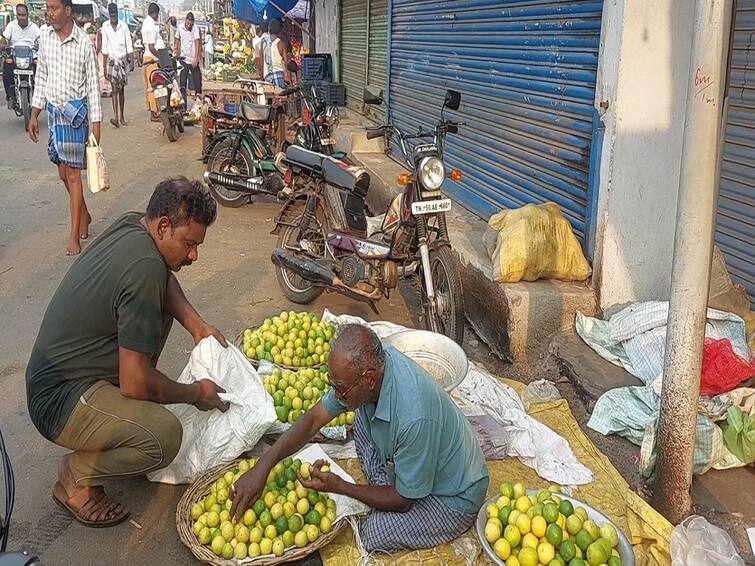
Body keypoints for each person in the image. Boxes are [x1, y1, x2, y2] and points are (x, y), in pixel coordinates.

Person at [26, 178, 230, 528]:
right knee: (166, 437)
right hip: (59, 400)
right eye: (189, 243)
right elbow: (136, 383)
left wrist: (197, 326)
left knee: (159, 301)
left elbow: (163, 279)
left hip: (68, 376)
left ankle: (122, 427)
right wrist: (196, 393)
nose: (194, 255)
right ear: (163, 226)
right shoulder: (144, 267)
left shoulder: (136, 224)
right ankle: (76, 476)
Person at [230, 324, 489, 552]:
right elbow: (313, 420)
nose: (335, 394)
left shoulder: (414, 417)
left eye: (339, 388)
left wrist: (341, 487)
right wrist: (263, 466)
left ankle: (383, 490)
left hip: (452, 496)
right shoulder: (365, 376)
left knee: (373, 533)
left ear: (369, 379)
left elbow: (403, 502)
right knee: (361, 417)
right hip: (413, 459)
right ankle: (382, 488)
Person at [29, 0, 101, 256]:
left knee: (73, 175)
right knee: (62, 174)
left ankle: (74, 237)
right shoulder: (45, 37)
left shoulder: (83, 43)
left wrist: (96, 125)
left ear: (68, 11)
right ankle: (85, 213)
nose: (49, 14)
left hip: (75, 115)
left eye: (54, 8)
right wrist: (34, 114)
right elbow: (41, 78)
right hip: (54, 114)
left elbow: (93, 86)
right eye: (47, 9)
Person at [0, 4, 40, 109]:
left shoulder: (34, 27)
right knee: (7, 65)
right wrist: (2, 45)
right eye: (19, 15)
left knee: (40, 68)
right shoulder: (11, 26)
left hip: (31, 56)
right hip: (15, 56)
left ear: (27, 15)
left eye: (24, 15)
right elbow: (5, 39)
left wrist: (42, 47)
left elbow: (41, 41)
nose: (22, 17)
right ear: (16, 15)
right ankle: (11, 96)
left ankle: (40, 96)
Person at [101, 3, 132, 127]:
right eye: (112, 15)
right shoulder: (105, 26)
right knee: (114, 90)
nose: (113, 17)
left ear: (117, 14)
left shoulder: (123, 26)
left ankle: (122, 117)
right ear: (109, 14)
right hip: (112, 60)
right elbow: (104, 47)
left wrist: (132, 58)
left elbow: (128, 43)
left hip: (122, 59)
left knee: (121, 90)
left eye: (115, 15)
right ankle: (116, 117)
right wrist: (103, 67)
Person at [141, 2, 165, 121]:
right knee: (153, 86)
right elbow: (151, 47)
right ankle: (155, 112)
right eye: (157, 14)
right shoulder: (150, 25)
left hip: (149, 57)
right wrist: (161, 57)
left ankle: (155, 111)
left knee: (151, 86)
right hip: (151, 58)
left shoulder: (148, 23)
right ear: (155, 13)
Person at [175, 11, 200, 103]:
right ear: (185, 21)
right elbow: (177, 38)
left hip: (192, 58)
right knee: (182, 83)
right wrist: (176, 48)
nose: (189, 26)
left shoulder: (195, 28)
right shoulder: (180, 27)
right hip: (183, 58)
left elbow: (197, 42)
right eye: (188, 23)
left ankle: (198, 103)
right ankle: (183, 105)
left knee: (197, 82)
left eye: (191, 24)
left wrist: (196, 58)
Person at [262, 19, 288, 87]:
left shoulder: (264, 42)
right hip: (278, 76)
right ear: (279, 30)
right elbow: (286, 62)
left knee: (269, 97)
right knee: (280, 96)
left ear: (269, 29)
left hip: (267, 77)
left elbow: (261, 60)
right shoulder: (281, 43)